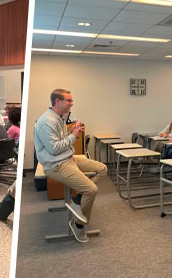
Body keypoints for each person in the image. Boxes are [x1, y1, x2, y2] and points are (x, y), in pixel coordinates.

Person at [34, 89, 108, 243]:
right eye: (69, 101)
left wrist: (72, 132)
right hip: (56, 165)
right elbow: (54, 149)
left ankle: (77, 200)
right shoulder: (47, 122)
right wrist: (73, 136)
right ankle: (78, 225)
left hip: (68, 158)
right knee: (91, 189)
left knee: (102, 169)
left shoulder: (59, 118)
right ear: (57, 102)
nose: (72, 104)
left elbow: (60, 143)